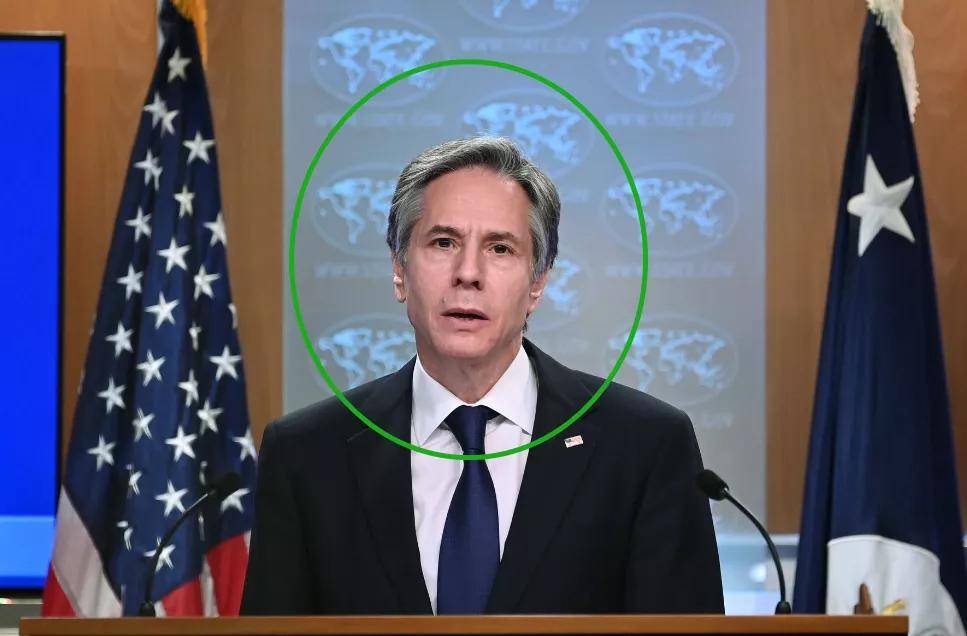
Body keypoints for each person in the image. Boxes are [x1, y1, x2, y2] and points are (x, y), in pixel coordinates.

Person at [240, 136, 724, 615]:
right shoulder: (306, 455)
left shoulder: (645, 446)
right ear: (399, 270)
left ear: (537, 282)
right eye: (443, 242)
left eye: (500, 248)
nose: (468, 273)